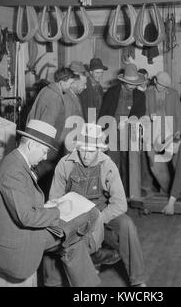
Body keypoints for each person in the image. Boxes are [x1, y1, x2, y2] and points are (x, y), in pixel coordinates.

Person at [0, 120, 101, 287]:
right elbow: (26, 217)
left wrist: (47, 207)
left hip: (19, 233)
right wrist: (58, 210)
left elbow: (23, 203)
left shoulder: (18, 163)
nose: (45, 157)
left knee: (72, 237)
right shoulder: (13, 170)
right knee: (76, 228)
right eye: (44, 151)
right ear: (31, 145)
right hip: (14, 243)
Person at [49, 123, 147, 287]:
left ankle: (138, 280)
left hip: (101, 212)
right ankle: (54, 282)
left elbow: (120, 203)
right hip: (73, 215)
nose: (86, 156)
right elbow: (54, 200)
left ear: (99, 149)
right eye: (83, 149)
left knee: (127, 225)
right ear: (77, 147)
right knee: (52, 233)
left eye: (92, 151)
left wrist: (99, 219)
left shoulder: (108, 165)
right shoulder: (64, 164)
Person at [99, 63, 146, 196]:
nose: (132, 86)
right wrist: (103, 131)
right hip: (112, 133)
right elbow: (104, 113)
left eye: (135, 84)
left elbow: (140, 112)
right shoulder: (112, 92)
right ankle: (112, 192)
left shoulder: (140, 95)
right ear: (124, 81)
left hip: (129, 133)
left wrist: (129, 121)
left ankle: (126, 193)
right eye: (130, 83)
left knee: (129, 164)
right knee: (112, 163)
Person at [144, 71, 181, 194]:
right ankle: (166, 189)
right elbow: (142, 112)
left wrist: (179, 130)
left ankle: (173, 191)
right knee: (154, 163)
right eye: (161, 85)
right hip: (152, 132)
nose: (164, 89)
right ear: (155, 81)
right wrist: (148, 116)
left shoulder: (173, 93)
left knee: (171, 162)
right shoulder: (147, 93)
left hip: (169, 132)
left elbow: (179, 113)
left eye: (166, 87)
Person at [80, 58, 108, 122]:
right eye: (97, 73)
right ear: (91, 72)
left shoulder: (99, 87)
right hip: (88, 121)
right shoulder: (85, 86)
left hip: (96, 120)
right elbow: (84, 108)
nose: (100, 75)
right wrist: (91, 124)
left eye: (101, 73)